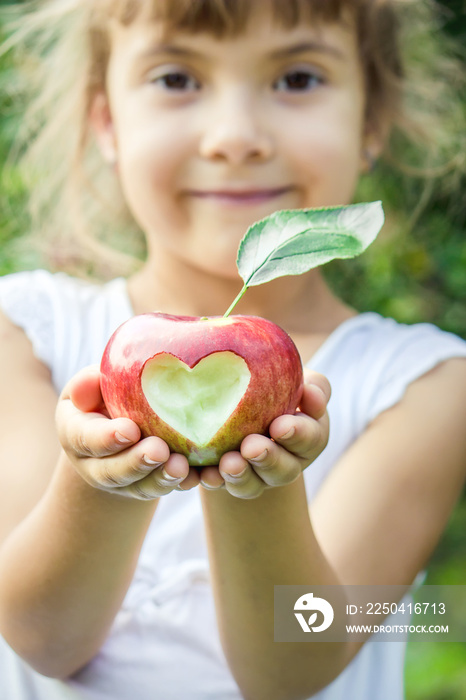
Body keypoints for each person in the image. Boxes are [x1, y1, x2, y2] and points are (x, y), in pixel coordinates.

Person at [0, 1, 465, 698]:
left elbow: (295, 663)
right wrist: (101, 478)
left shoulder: (427, 387)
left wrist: (258, 481)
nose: (236, 137)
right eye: (177, 78)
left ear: (372, 121)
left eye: (299, 78)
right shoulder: (25, 333)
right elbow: (42, 637)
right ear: (107, 122)